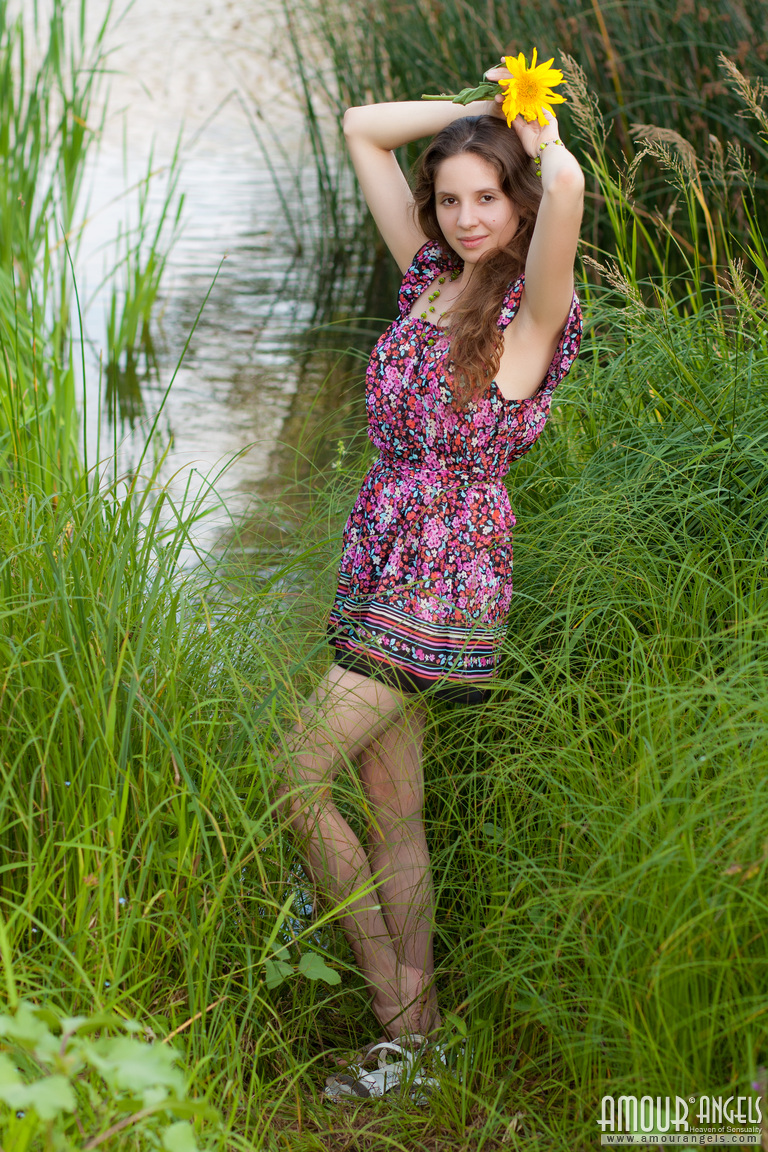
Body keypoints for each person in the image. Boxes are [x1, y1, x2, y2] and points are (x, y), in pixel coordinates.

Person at [274, 57, 584, 1098]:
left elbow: (569, 188)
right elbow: (362, 126)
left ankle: (397, 1020)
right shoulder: (427, 281)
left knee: (296, 774)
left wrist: (535, 126)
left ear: (518, 201)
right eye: (450, 200)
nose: (466, 218)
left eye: (486, 197)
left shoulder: (532, 311)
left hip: (446, 573)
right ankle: (425, 1042)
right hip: (380, 557)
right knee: (390, 809)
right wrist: (481, 109)